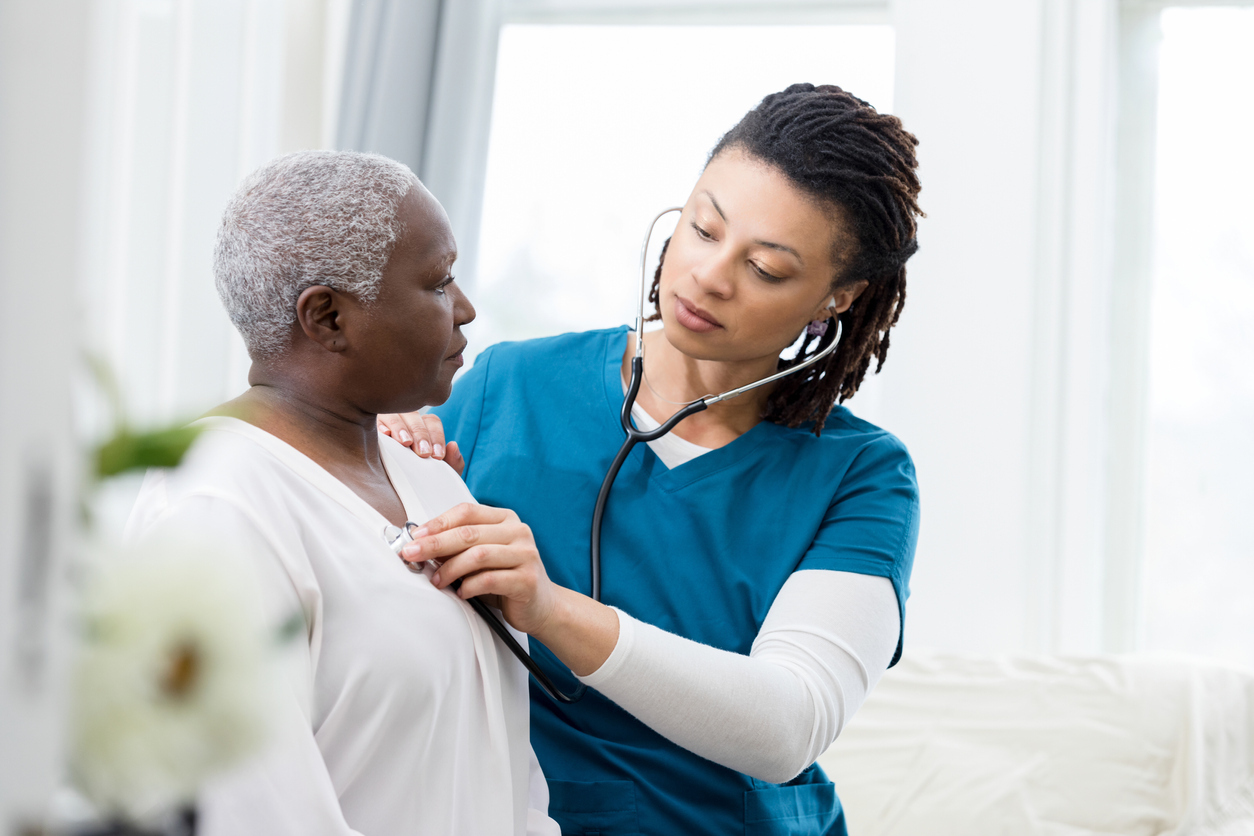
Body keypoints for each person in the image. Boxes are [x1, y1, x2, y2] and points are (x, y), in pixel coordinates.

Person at [379, 83, 924, 835]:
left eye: (765, 268)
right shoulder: (509, 386)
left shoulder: (861, 475)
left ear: (837, 298)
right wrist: (380, 451)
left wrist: (549, 608)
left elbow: (786, 727)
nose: (708, 275)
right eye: (703, 229)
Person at [124, 151, 561, 836]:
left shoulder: (429, 475)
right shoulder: (213, 508)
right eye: (440, 282)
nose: (468, 309)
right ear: (327, 318)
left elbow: (502, 771)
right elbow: (252, 818)